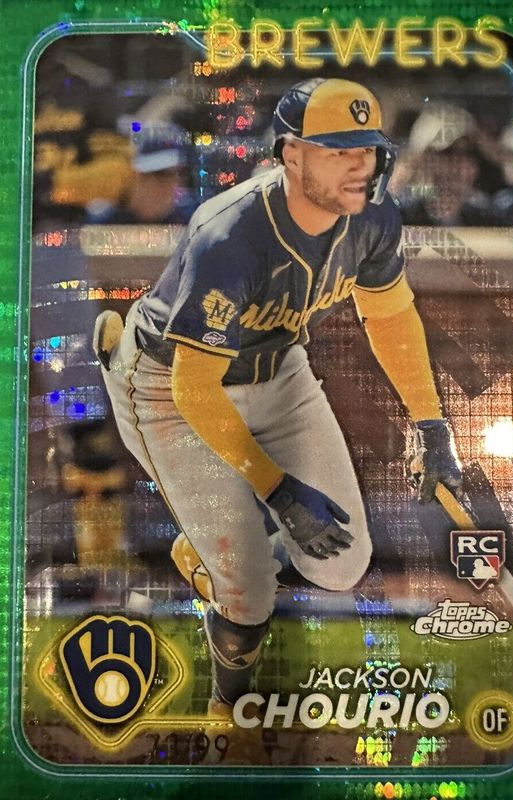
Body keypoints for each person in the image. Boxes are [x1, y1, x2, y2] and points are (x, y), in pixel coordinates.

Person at [93, 78, 461, 723]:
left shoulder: (374, 218)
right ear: (291, 155)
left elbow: (390, 317)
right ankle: (228, 716)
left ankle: (217, 546)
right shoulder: (230, 235)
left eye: (368, 149)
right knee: (248, 596)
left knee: (343, 564)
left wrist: (431, 424)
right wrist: (278, 490)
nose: (360, 166)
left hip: (279, 368)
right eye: (338, 151)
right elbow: (194, 388)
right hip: (169, 384)